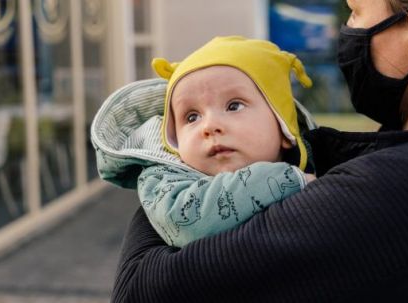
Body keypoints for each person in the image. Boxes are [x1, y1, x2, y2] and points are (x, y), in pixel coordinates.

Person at [110, 0, 408, 302]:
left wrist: (165, 165)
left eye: (356, 13)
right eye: (191, 118)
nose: (348, 31)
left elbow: (142, 289)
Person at [92, 36, 316, 247]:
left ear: (284, 129)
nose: (209, 126)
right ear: (174, 139)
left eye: (234, 106)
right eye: (192, 117)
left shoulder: (325, 165)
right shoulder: (163, 181)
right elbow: (186, 221)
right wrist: (286, 179)